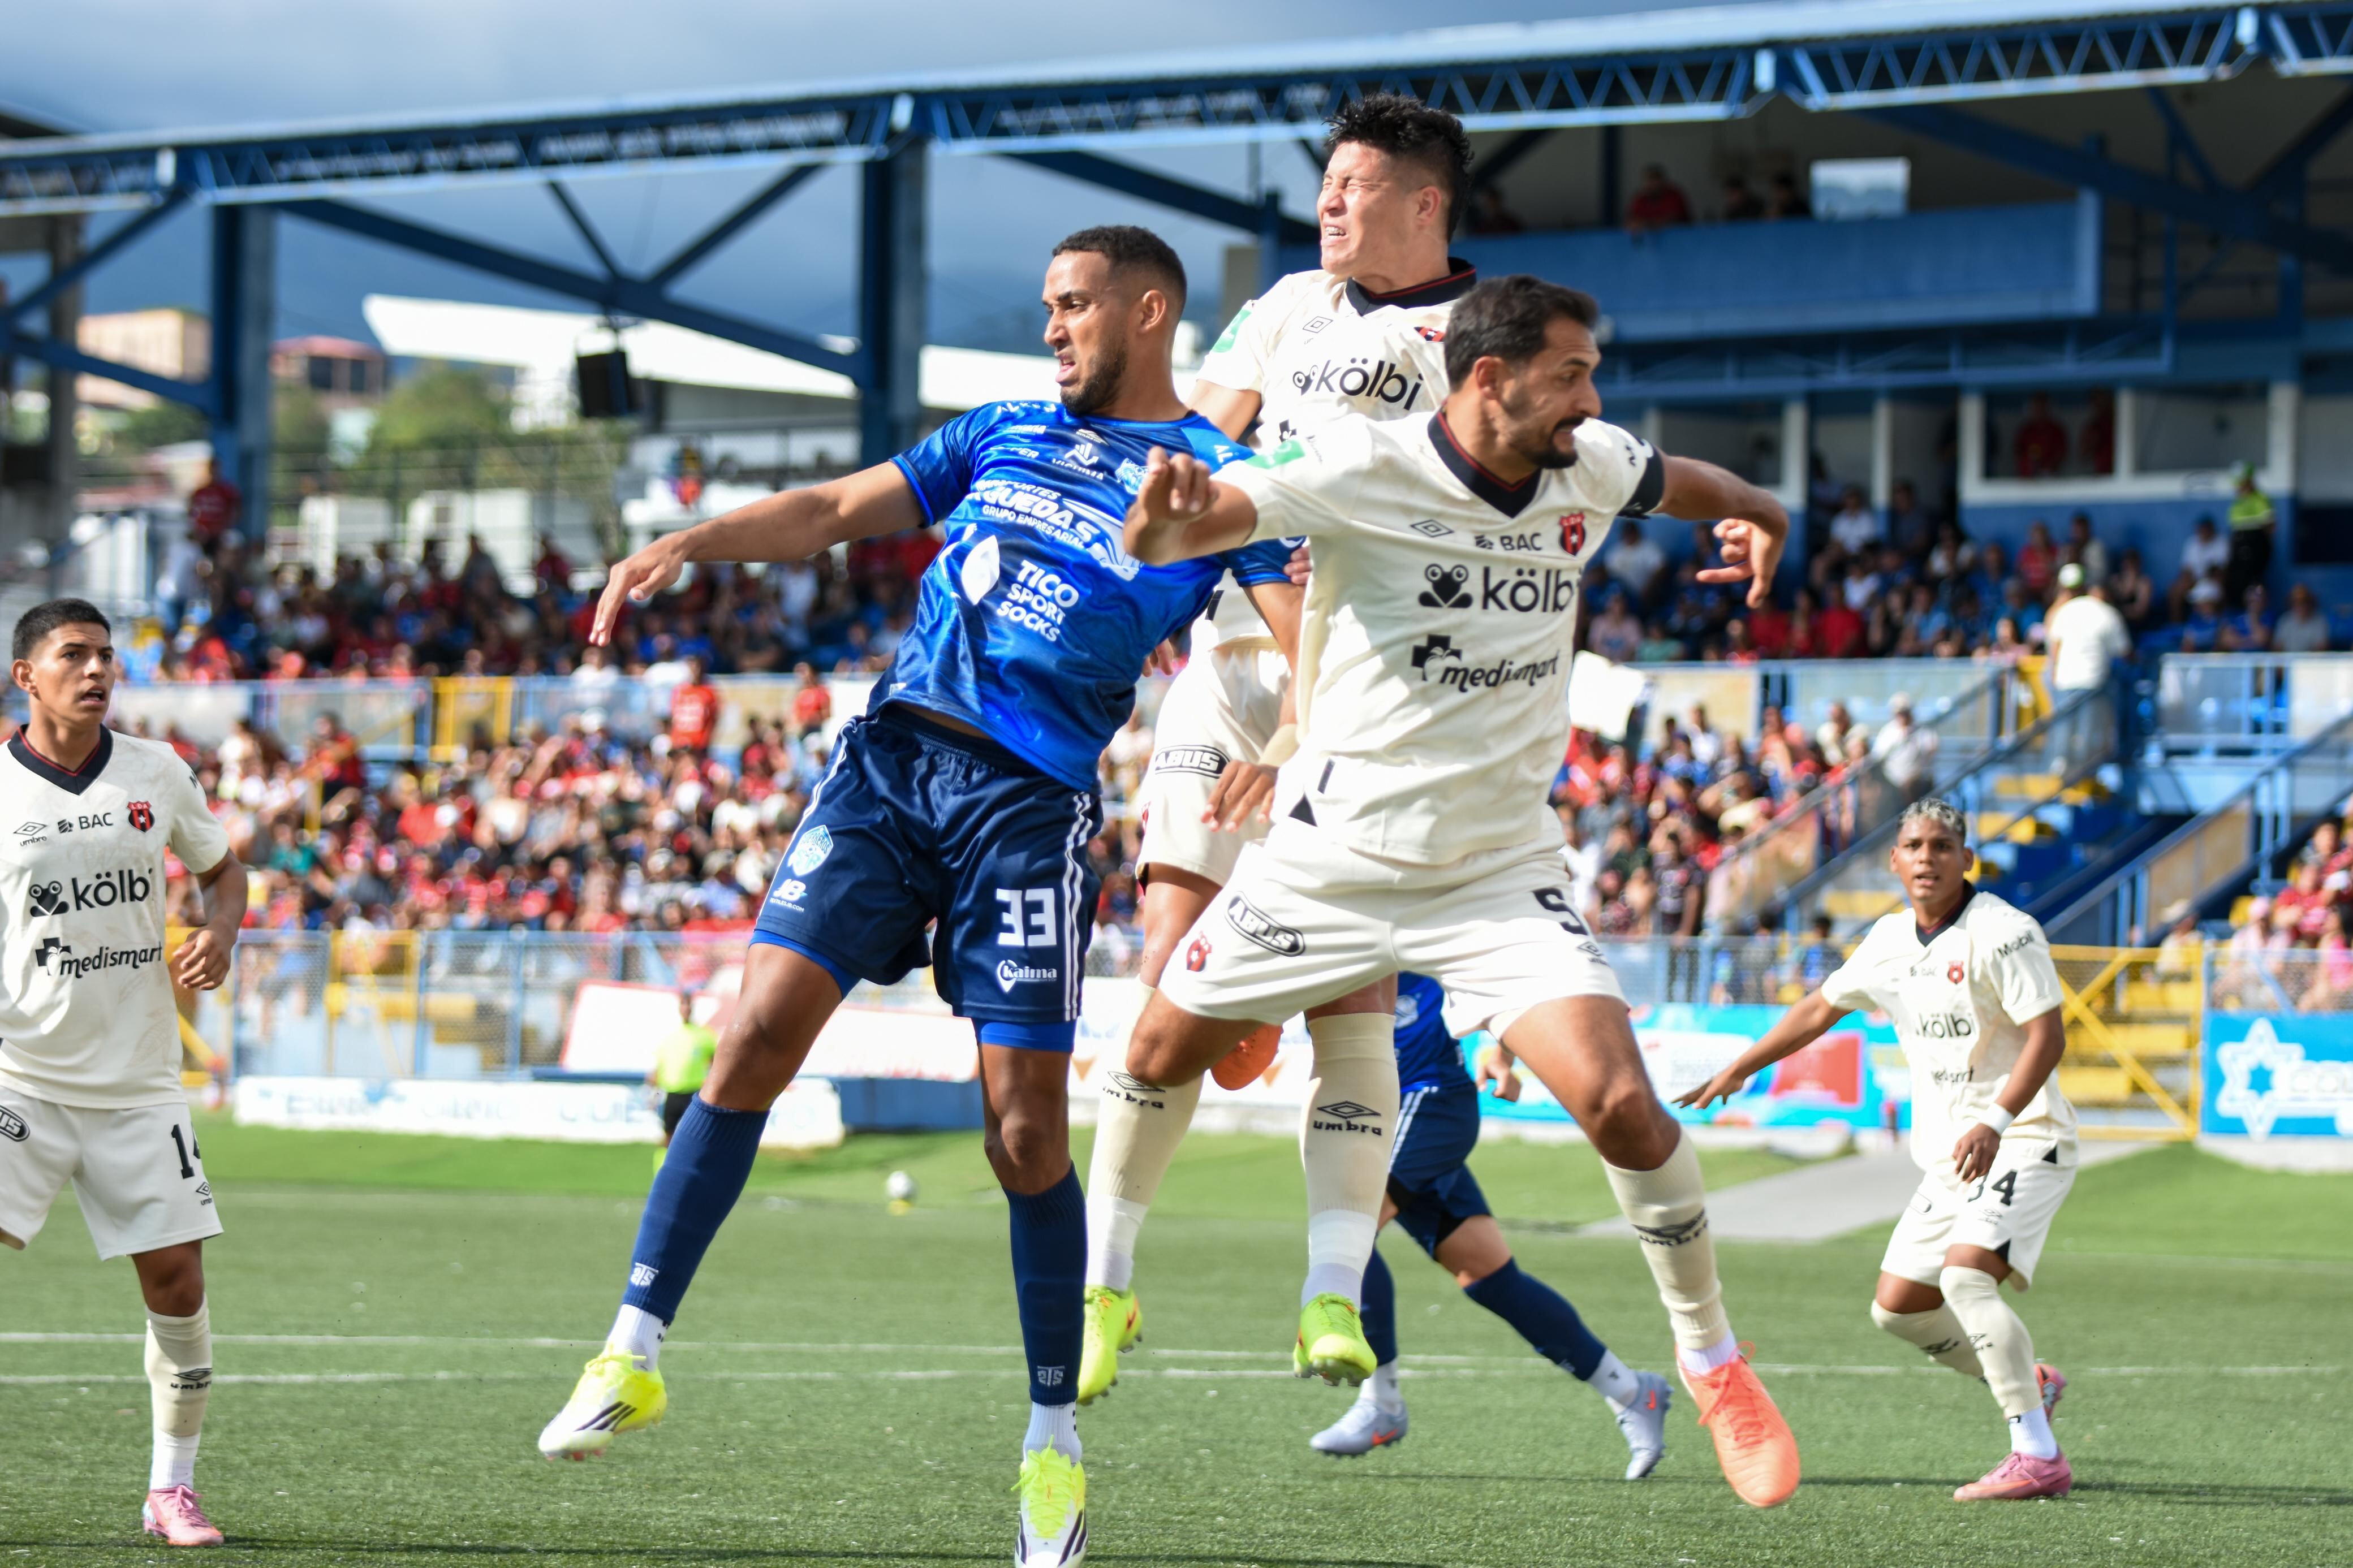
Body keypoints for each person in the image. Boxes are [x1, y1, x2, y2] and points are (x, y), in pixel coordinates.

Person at [533, 226, 1295, 1567]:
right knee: (752, 1034)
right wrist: (689, 543)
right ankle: (631, 1349)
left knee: (1024, 1134)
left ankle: (1051, 1447)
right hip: (888, 768)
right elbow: (832, 511)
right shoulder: (999, 430)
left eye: (1074, 305)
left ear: (1147, 311)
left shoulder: (1221, 480)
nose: (1052, 327)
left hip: (1026, 809)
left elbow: (1312, 637)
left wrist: (1291, 741)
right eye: (1046, 304)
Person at [1119, 273, 1802, 1507]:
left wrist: (1760, 507)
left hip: (1497, 872)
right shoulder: (1360, 465)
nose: (1591, 399)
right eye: (1570, 375)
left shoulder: (1587, 462)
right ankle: (1108, 1285)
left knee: (1623, 1105)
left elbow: (1679, 479)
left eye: (1593, 375)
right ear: (1491, 378)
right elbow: (1203, 524)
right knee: (1160, 1048)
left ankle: (1713, 1363)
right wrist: (1158, 521)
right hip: (1332, 857)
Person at [1080, 94, 1473, 1405]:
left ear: (1424, 201)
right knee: (1167, 976)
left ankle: (1328, 1296)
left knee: (1351, 1003)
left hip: (1370, 694)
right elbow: (1195, 441)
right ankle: (1106, 1283)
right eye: (1325, 183)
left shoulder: (1481, 337)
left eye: (1353, 185)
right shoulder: (1288, 305)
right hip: (1236, 662)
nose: (1327, 204)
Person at [1679, 798, 2076, 1502]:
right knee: (1898, 1307)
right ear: (1893, 861)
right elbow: (1819, 1007)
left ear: (1966, 859)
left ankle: (2035, 1454)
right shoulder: (1889, 939)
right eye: (1914, 846)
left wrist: (1994, 1119)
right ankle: (2030, 1382)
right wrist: (1741, 1066)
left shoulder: (2005, 932)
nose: (1927, 857)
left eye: (1942, 846)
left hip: (2022, 1136)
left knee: (1964, 1277)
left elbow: (2048, 1037)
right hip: (1953, 1155)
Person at [0, 598, 248, 1546]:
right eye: (74, 655)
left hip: (139, 1082)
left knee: (178, 1282)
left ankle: (170, 1491)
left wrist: (221, 930)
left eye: (106, 654)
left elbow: (223, 870)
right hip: (21, 1074)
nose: (98, 669)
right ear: (27, 675)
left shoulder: (155, 770)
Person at [1308, 974, 1673, 1475]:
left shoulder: (1408, 931)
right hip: (1374, 1114)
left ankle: (1381, 1401)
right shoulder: (1312, 938)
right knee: (1489, 1276)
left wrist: (1501, 1050)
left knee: (1347, 1233)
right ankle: (1632, 1391)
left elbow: (1506, 970)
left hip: (1430, 1101)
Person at [646, 990, 717, 1161]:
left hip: (694, 1094)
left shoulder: (704, 1035)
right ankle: (662, 1172)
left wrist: (711, 1082)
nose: (686, 1009)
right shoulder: (671, 1035)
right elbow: (658, 1068)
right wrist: (653, 1092)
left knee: (698, 1137)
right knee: (668, 1136)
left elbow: (715, 1062)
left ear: (693, 1008)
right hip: (672, 1093)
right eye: (683, 1005)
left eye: (688, 1005)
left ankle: (694, 1169)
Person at [2043, 565, 2131, 696]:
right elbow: (2125, 652)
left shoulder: (2063, 611)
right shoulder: (2060, 611)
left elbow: (2124, 653)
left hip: (2083, 684)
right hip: (2082, 684)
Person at [2225, 463, 2276, 608]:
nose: (2238, 487)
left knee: (2254, 584)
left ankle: (2256, 613)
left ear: (2249, 481)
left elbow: (2270, 526)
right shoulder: (2237, 503)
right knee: (2235, 582)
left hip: (2255, 548)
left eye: (2241, 483)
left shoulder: (2261, 499)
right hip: (2239, 548)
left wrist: (2261, 549)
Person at [1873, 693, 1940, 803]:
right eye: (1899, 713)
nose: (1902, 716)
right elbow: (1878, 755)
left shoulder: (1922, 730)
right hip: (1893, 784)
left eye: (1905, 712)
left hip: (1918, 782)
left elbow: (1932, 748)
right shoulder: (1887, 731)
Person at [666, 655, 720, 757]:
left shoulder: (708, 692)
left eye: (697, 667)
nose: (694, 671)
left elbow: (714, 717)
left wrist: (707, 740)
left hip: (699, 744)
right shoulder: (679, 691)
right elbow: (672, 717)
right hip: (679, 742)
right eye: (691, 667)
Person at [184, 459, 240, 552]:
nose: (213, 473)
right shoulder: (200, 492)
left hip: (220, 534)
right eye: (211, 470)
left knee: (233, 541)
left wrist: (226, 527)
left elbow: (237, 511)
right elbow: (190, 511)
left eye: (216, 470)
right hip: (201, 535)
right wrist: (194, 528)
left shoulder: (227, 491)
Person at [1624, 164, 1692, 231]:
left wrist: (1649, 223)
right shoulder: (1641, 199)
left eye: (1656, 180)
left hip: (1679, 235)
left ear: (1663, 181)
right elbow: (1632, 220)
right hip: (1649, 237)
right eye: (1650, 181)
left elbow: (1675, 218)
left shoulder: (1674, 196)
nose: (1653, 184)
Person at [2014, 394, 2066, 478]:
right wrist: (2028, 465)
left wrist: (2049, 466)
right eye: (2036, 407)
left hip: (2051, 475)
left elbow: (2061, 452)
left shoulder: (2056, 430)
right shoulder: (2025, 431)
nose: (2039, 411)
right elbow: (2018, 452)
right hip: (2028, 477)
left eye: (2042, 407)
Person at [2275, 582, 2333, 653]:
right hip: (2288, 659)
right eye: (2296, 602)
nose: (2301, 605)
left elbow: (2322, 648)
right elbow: (2277, 648)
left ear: (2310, 603)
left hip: (2311, 660)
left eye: (2304, 601)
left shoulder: (2320, 621)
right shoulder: (2284, 620)